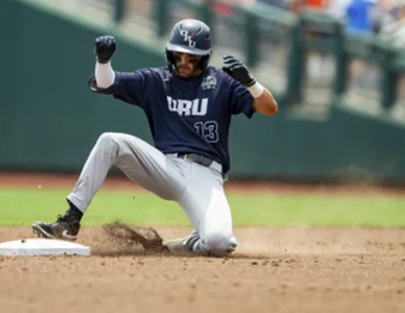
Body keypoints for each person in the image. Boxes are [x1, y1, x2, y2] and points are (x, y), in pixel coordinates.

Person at [31, 19, 279, 256]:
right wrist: (103, 60)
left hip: (207, 176)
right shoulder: (157, 79)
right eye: (178, 54)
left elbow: (270, 108)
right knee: (110, 141)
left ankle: (195, 242)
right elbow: (107, 83)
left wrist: (251, 84)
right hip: (166, 166)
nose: (183, 61)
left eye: (191, 57)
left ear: (204, 58)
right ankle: (70, 221)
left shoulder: (221, 81)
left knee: (220, 242)